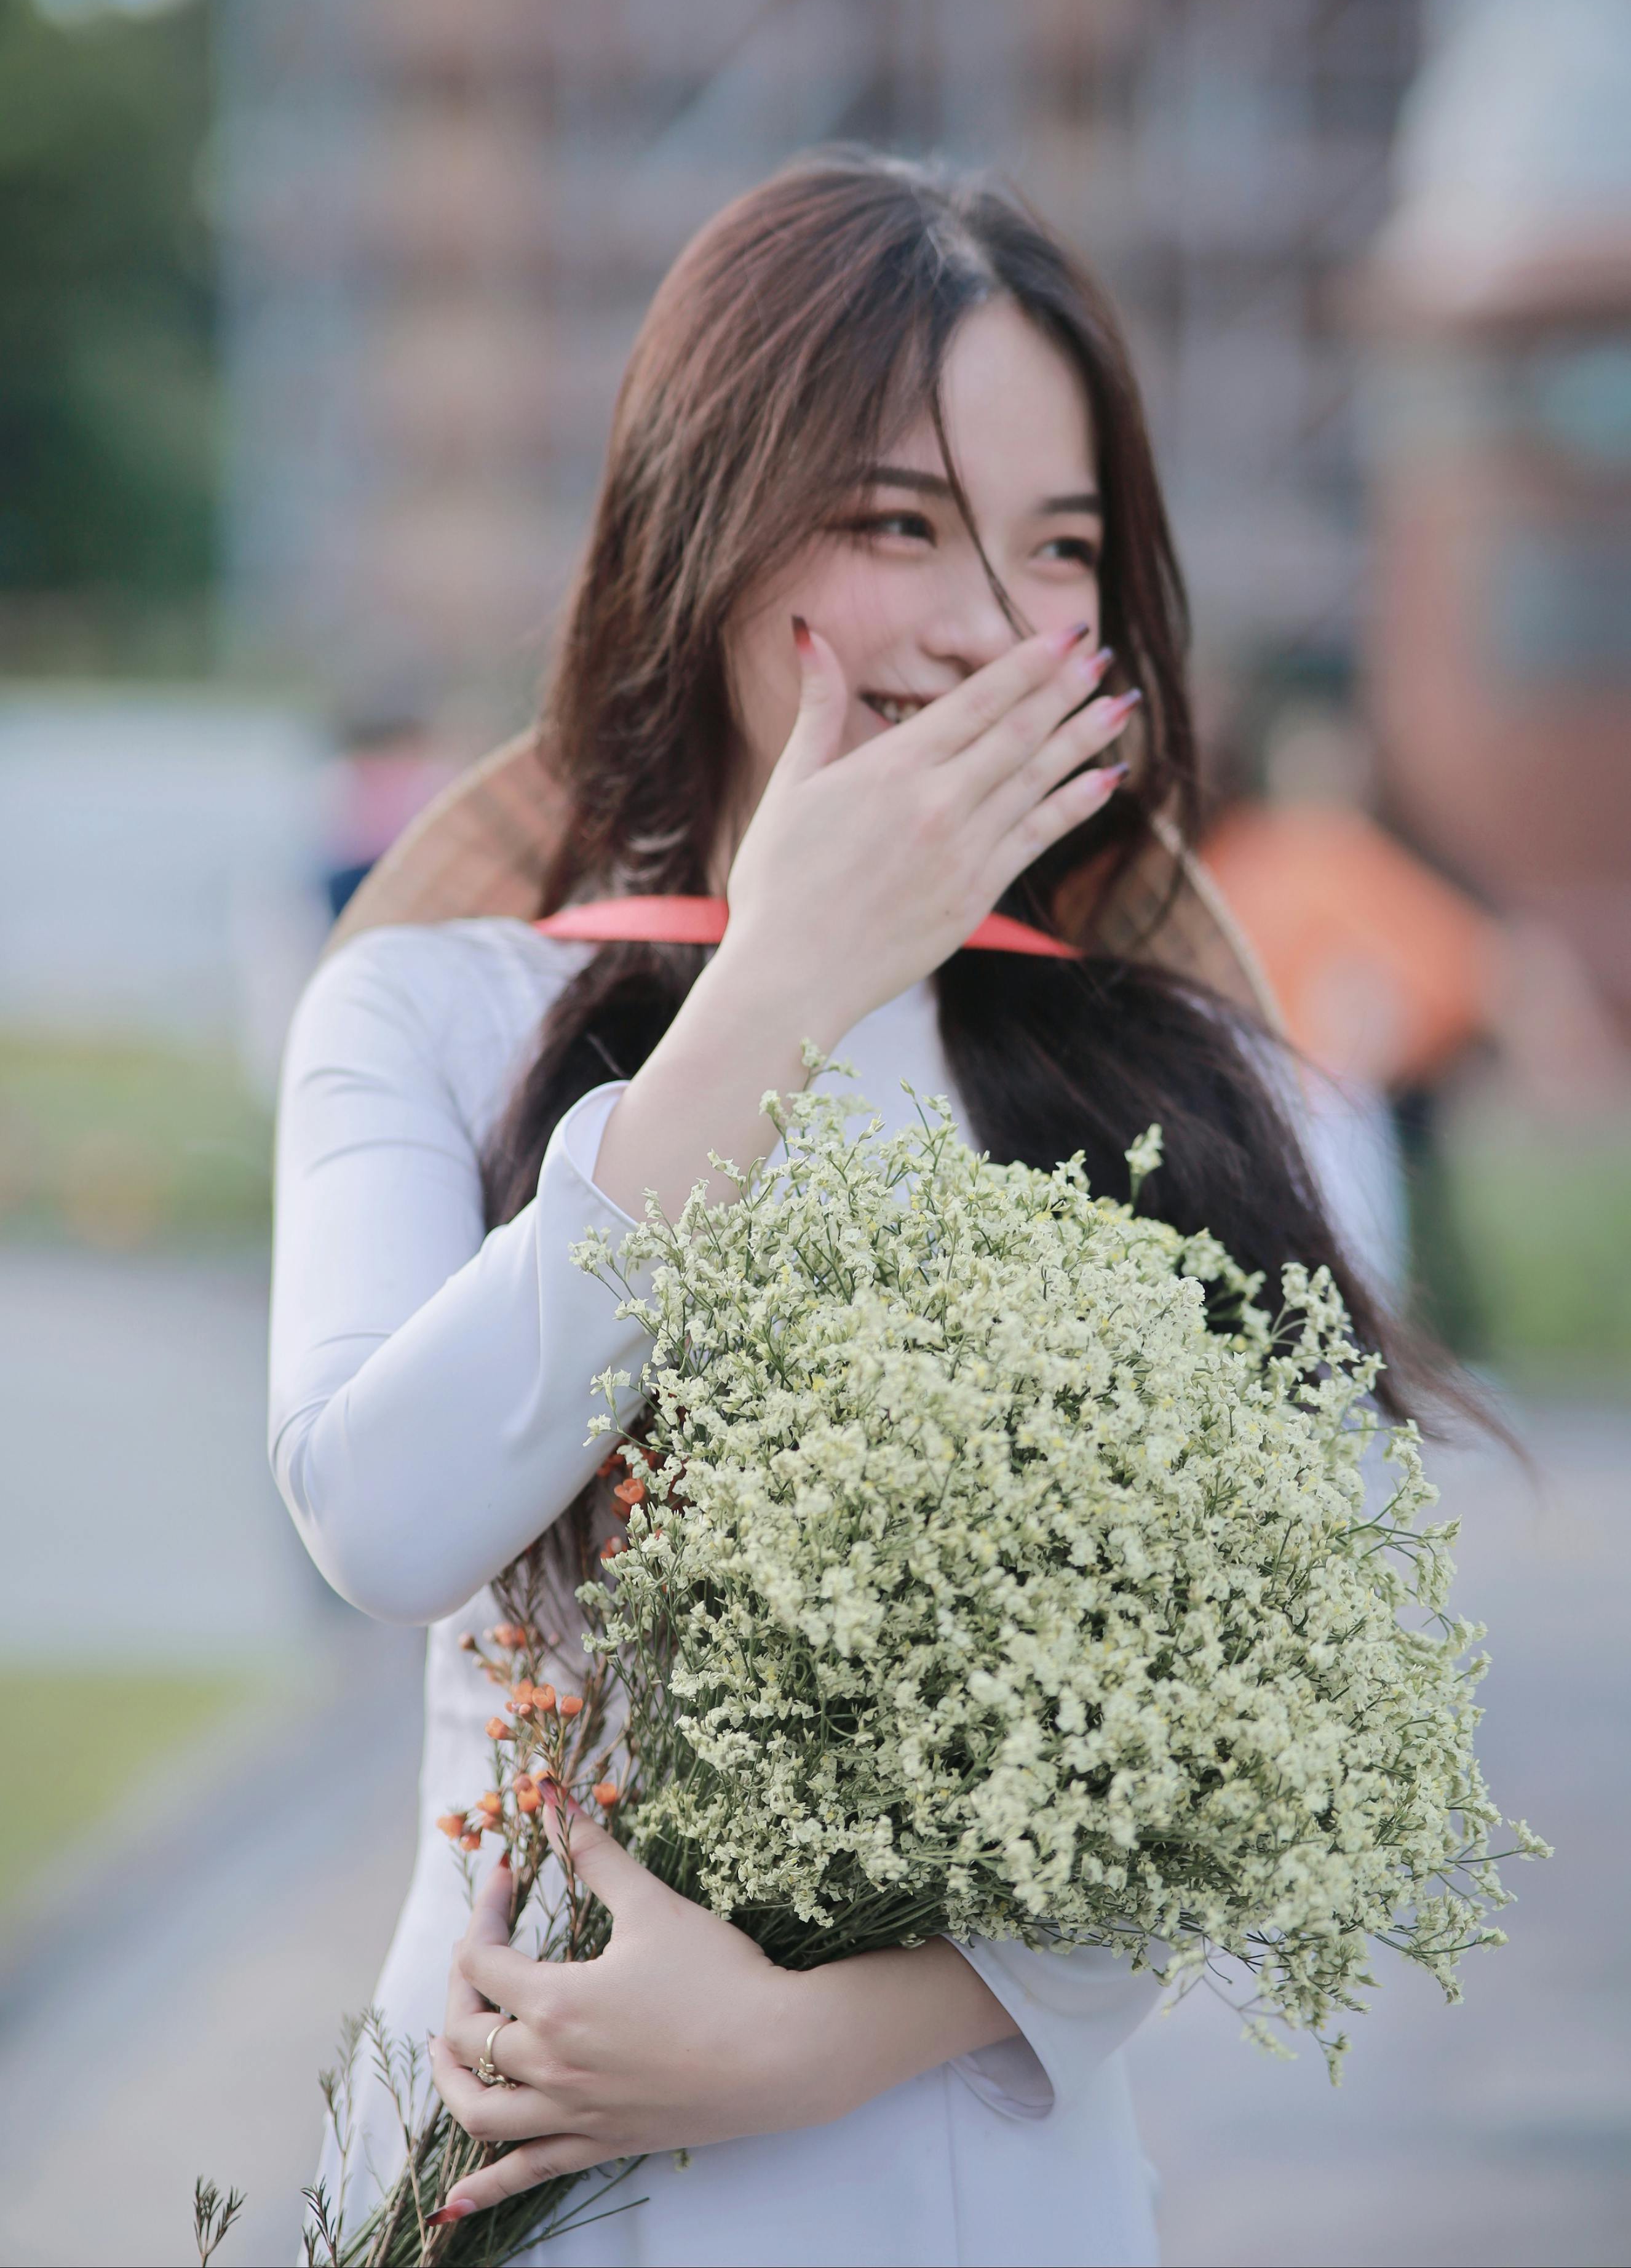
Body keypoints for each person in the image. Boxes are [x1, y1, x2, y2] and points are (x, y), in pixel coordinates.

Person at [269, 153, 1433, 2267]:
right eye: (900, 522)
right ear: (705, 528)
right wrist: (777, 985)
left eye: (1058, 547)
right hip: (508, 2188)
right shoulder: (433, 1013)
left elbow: (1264, 1748)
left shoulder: (1218, 1093)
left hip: (972, 2195)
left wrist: (812, 2038)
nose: (990, 623)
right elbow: (382, 1514)